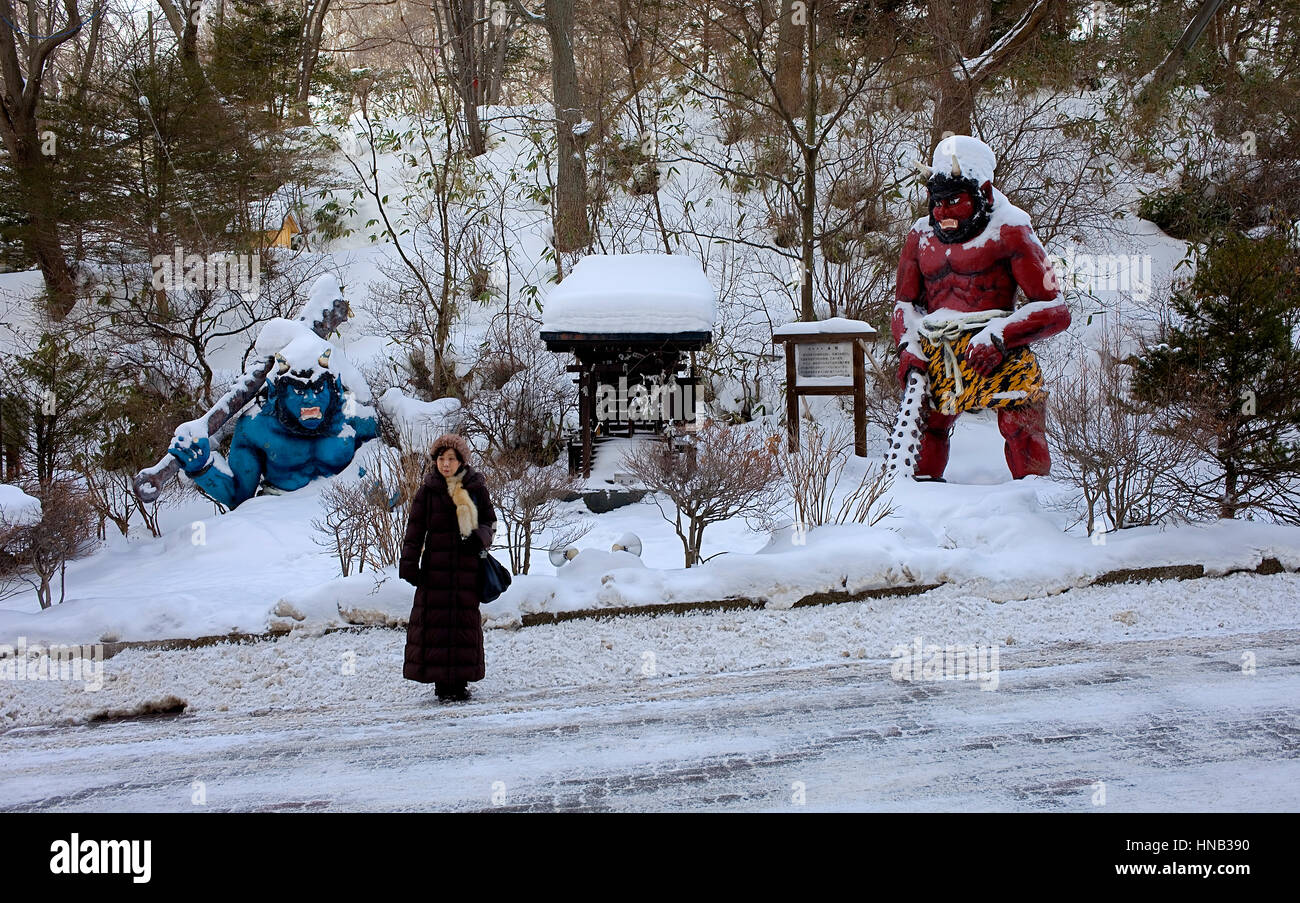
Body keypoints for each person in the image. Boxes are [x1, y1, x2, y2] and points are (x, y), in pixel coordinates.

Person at [398, 433, 497, 702]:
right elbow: (414, 530)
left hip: (467, 569)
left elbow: (490, 521)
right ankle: (441, 683)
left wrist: (481, 537)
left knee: (463, 624)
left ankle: (461, 681)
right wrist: (408, 563)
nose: (445, 464)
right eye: (441, 459)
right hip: (435, 570)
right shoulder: (428, 490)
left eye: (451, 459)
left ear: (461, 461)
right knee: (437, 625)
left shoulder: (475, 487)